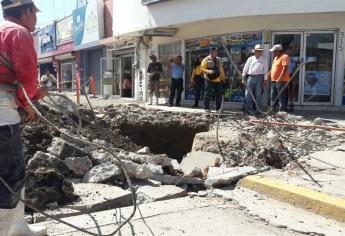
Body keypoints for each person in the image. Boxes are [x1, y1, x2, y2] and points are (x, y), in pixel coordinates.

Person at [0, 1, 48, 235]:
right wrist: (32, 104)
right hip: (3, 118)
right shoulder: (19, 33)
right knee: (11, 177)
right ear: (26, 11)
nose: (36, 20)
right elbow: (27, 78)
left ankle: (17, 228)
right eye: (34, 13)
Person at [242, 44, 268, 114]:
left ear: (261, 52)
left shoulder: (264, 59)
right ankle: (248, 110)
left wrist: (265, 80)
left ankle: (258, 110)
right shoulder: (250, 59)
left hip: (260, 78)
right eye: (257, 51)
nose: (259, 52)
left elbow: (266, 70)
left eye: (260, 51)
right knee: (248, 94)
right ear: (255, 51)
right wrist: (243, 77)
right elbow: (245, 69)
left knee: (258, 94)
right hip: (250, 77)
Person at [265, 44, 290, 112]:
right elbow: (273, 68)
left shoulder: (285, 56)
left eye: (274, 51)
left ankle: (282, 111)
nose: (273, 53)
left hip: (281, 81)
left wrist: (279, 78)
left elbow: (285, 68)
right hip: (274, 81)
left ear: (279, 51)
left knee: (281, 96)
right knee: (273, 96)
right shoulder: (276, 58)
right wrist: (268, 75)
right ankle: (273, 110)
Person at [200, 47, 225, 112]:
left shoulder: (219, 59)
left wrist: (223, 77)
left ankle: (218, 109)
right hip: (209, 80)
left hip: (218, 80)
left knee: (218, 95)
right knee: (207, 94)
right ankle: (206, 108)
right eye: (214, 52)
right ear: (210, 52)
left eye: (216, 52)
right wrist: (209, 71)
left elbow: (221, 69)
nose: (216, 53)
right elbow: (202, 68)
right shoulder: (206, 59)